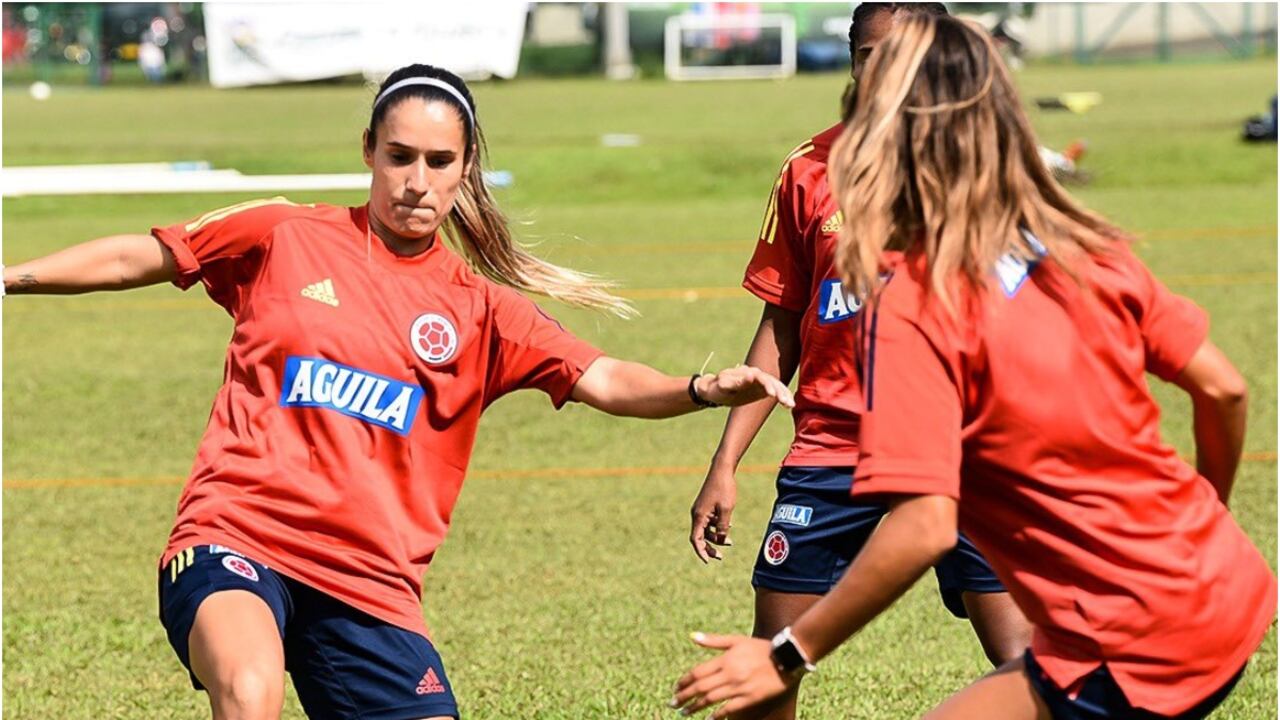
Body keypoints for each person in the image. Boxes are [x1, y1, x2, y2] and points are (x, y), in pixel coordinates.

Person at [3, 63, 795, 720]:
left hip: (369, 583)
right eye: (399, 156)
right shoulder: (285, 234)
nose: (417, 181)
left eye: (439, 162)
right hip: (236, 538)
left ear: (466, 168)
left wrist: (699, 387)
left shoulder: (481, 310)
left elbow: (607, 379)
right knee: (250, 692)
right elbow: (141, 257)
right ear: (368, 153)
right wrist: (12, 277)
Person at [672, 15, 1275, 720]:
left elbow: (927, 522)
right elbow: (1225, 388)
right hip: (1225, 589)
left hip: (1131, 639)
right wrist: (1209, 516)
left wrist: (785, 653)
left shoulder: (917, 306)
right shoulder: (1083, 246)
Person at [687, 5, 1032, 717]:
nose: (882, 72)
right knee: (769, 663)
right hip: (833, 445)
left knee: (1028, 663)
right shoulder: (809, 170)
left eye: (899, 54)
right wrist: (725, 464)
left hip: (961, 447)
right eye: (867, 54)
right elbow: (781, 324)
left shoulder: (977, 161)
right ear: (849, 61)